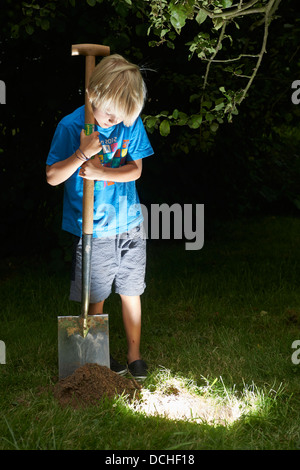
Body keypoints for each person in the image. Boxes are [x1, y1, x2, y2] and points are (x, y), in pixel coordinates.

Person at [46, 54, 154, 380]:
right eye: (109, 114)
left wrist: (100, 169)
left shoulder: (129, 123)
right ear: (92, 94)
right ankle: (97, 359)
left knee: (132, 290)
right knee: (97, 296)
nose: (114, 121)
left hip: (130, 224)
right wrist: (82, 154)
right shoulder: (71, 126)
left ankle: (134, 357)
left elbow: (135, 170)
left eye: (121, 117)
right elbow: (52, 176)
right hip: (96, 229)